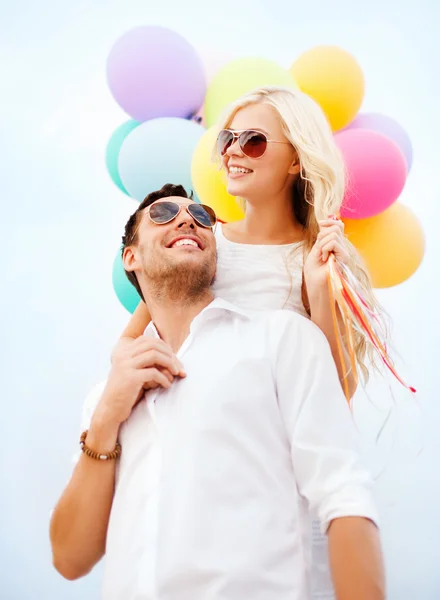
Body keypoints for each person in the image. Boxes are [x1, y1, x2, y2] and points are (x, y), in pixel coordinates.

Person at [50, 185, 385, 600]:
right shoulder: (107, 395)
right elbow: (69, 558)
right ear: (130, 258)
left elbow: (343, 494)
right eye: (164, 213)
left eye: (203, 217)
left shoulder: (282, 339)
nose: (189, 219)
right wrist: (104, 421)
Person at [114, 85, 382, 397]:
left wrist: (320, 289)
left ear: (296, 161)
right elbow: (127, 342)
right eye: (228, 139)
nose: (231, 151)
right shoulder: (203, 242)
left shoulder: (316, 259)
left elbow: (336, 395)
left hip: (261, 437)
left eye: (253, 140)